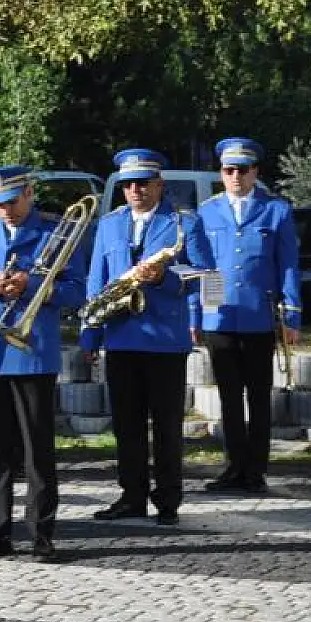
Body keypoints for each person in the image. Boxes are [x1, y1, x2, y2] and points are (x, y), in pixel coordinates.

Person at [0, 166, 89, 563]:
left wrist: (31, 286)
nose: (5, 211)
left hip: (32, 351)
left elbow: (77, 291)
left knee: (36, 450)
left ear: (29, 194)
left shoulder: (56, 231)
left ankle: (41, 534)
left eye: (12, 202)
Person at [80, 150, 214, 525]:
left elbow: (207, 276)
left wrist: (165, 279)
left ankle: (168, 499)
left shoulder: (184, 222)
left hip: (165, 340)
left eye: (143, 183)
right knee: (127, 425)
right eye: (128, 185)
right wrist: (90, 333)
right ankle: (131, 495)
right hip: (121, 336)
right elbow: (97, 280)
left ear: (159, 185)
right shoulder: (109, 224)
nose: (135, 190)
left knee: (167, 425)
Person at [195, 137, 302, 494]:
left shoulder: (277, 211)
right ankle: (232, 466)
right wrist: (199, 316)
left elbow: (287, 266)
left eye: (243, 169)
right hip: (221, 317)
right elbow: (203, 269)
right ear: (220, 174)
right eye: (229, 170)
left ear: (255, 171)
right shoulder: (206, 212)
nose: (236, 176)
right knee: (227, 396)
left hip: (259, 315)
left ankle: (255, 469)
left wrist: (292, 316)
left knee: (258, 395)